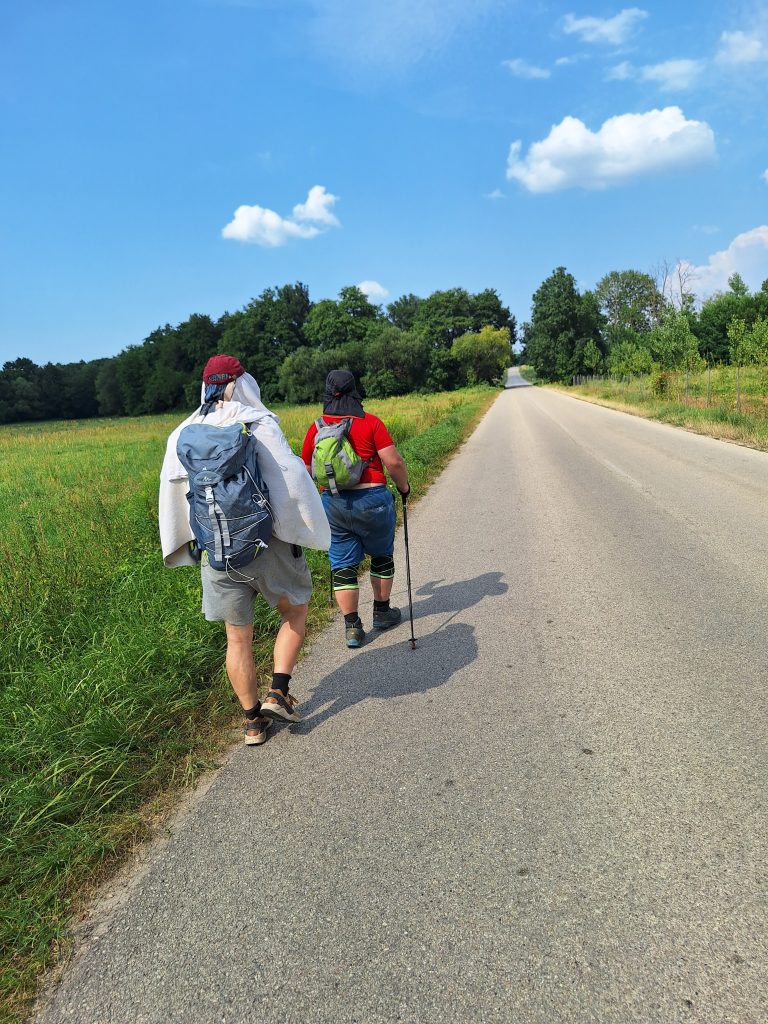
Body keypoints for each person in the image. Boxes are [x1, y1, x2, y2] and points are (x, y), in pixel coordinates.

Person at [159, 355, 330, 746]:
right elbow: (290, 483)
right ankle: (278, 691)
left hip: (217, 551)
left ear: (206, 387)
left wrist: (187, 546)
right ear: (242, 383)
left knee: (236, 638)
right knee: (296, 610)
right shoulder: (257, 423)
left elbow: (174, 498)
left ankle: (252, 723)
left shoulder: (181, 432)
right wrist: (308, 532)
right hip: (266, 546)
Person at [301, 369, 410, 648]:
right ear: (354, 391)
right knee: (382, 555)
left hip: (334, 502)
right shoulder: (370, 422)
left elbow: (307, 469)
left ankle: (352, 628)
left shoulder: (316, 427)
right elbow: (394, 462)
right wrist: (404, 488)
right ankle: (382, 612)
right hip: (372, 499)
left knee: (342, 565)